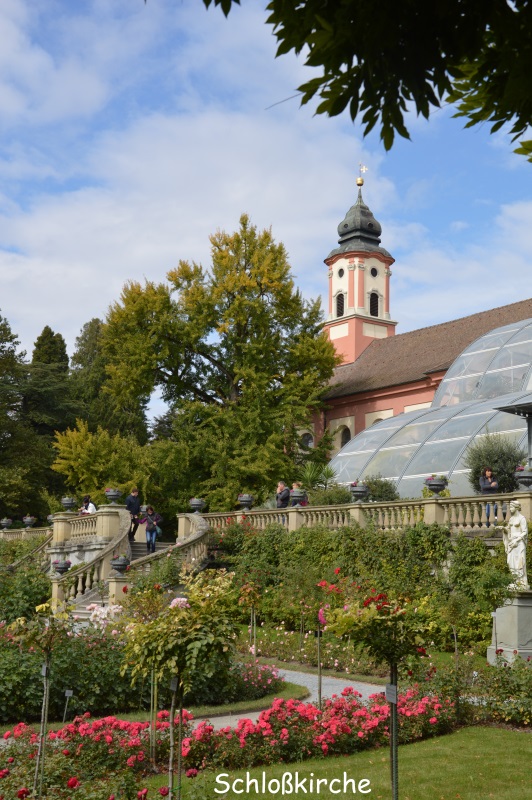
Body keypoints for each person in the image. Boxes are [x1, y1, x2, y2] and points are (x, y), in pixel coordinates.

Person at [502, 500, 529, 589]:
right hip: (511, 542)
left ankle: (521, 582)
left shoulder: (522, 519)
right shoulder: (511, 519)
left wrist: (516, 541)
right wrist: (503, 529)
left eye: (511, 507)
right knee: (511, 562)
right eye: (509, 507)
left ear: (516, 508)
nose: (510, 509)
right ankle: (515, 581)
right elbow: (509, 530)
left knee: (520, 562)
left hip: (519, 543)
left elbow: (524, 532)